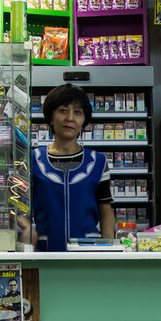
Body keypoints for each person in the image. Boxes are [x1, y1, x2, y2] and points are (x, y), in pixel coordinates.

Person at [19, 84, 115, 251]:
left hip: (87, 253)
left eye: (77, 112)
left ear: (84, 120)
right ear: (51, 116)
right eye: (63, 110)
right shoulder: (32, 160)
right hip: (44, 253)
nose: (70, 118)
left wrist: (108, 250)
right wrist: (27, 227)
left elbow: (106, 211)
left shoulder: (98, 162)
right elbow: (15, 206)